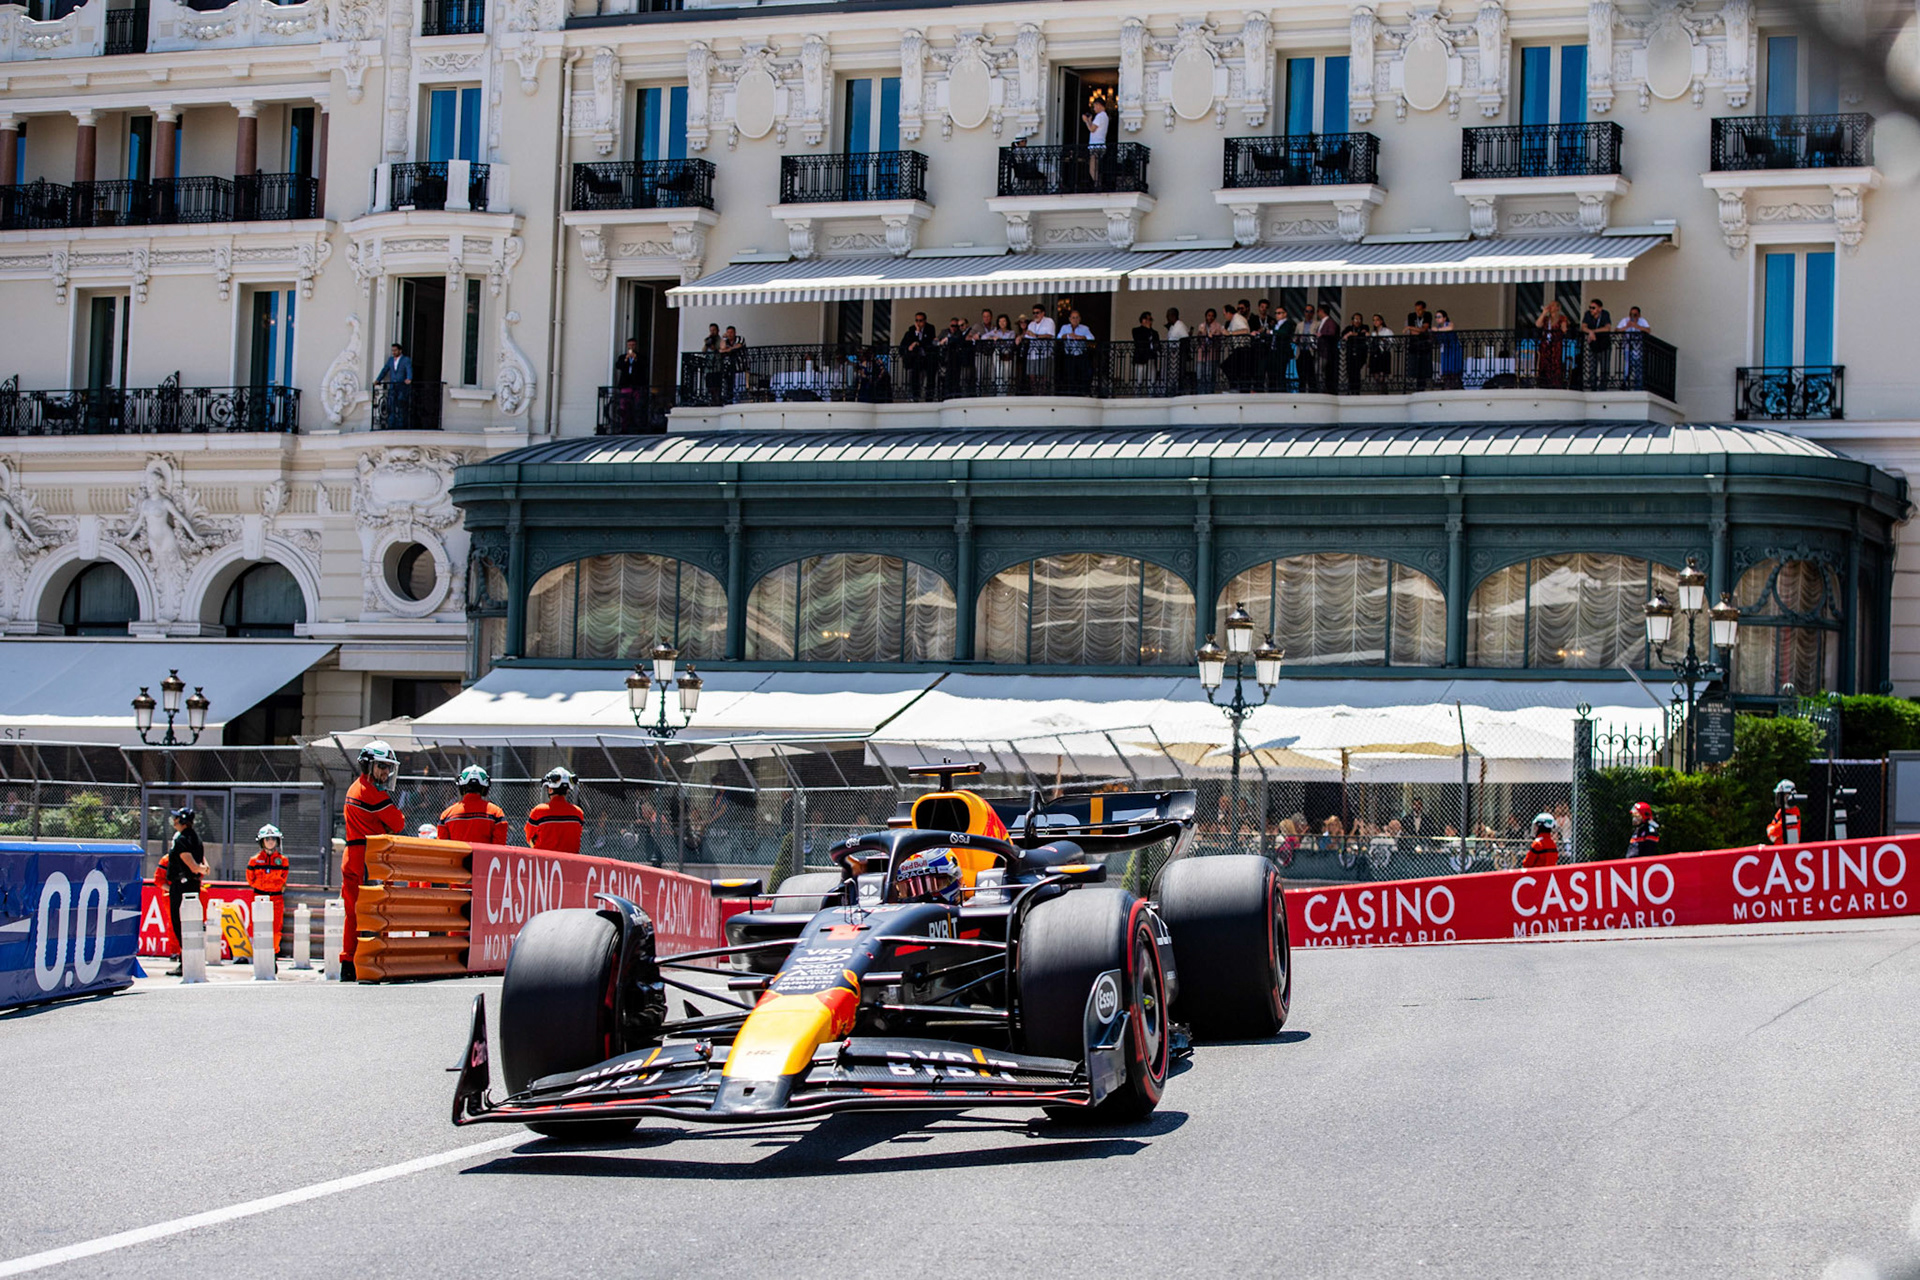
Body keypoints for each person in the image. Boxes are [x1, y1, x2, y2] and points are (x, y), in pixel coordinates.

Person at [341, 740, 405, 980]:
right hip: (368, 857)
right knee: (374, 911)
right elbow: (398, 823)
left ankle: (348, 961)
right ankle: (370, 963)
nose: (385, 772)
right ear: (367, 765)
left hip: (352, 854)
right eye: (381, 766)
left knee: (352, 913)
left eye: (388, 767)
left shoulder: (354, 788)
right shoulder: (373, 793)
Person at [163, 807, 209, 975]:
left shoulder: (182, 839)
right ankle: (188, 961)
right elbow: (202, 862)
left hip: (182, 886)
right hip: (191, 885)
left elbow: (190, 863)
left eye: (177, 819)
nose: (174, 821)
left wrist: (200, 869)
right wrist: (203, 868)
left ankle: (186, 962)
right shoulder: (194, 837)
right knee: (189, 923)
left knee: (180, 923)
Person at [245, 824, 289, 956]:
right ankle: (259, 955)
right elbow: (250, 879)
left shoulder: (283, 861)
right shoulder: (254, 861)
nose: (270, 841)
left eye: (273, 839)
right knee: (258, 928)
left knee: (276, 930)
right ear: (262, 841)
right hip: (259, 897)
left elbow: (283, 878)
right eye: (267, 839)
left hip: (276, 898)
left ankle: (273, 955)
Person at [437, 765, 510, 845]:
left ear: (461, 786)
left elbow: (442, 847)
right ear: (485, 787)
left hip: (456, 857)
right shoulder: (496, 813)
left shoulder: (447, 814)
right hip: (485, 857)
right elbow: (499, 849)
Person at [526, 767, 585, 854]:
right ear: (567, 790)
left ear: (550, 789)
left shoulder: (539, 811)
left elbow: (530, 837)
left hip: (544, 863)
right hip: (571, 863)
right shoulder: (578, 813)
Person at [610, 337, 646, 433]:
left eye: (633, 345)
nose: (631, 347)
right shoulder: (622, 357)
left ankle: (636, 427)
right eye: (630, 345)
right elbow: (618, 366)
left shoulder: (640, 357)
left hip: (636, 385)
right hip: (625, 385)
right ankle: (624, 427)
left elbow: (644, 366)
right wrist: (626, 359)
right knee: (624, 407)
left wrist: (636, 359)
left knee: (636, 406)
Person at [899, 311, 936, 400]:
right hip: (915, 359)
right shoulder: (912, 329)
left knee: (929, 378)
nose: (918, 323)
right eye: (917, 320)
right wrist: (917, 334)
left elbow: (929, 342)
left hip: (927, 357)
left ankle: (929, 397)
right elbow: (908, 343)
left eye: (921, 320)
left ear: (925, 320)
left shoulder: (930, 328)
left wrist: (918, 341)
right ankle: (915, 396)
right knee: (915, 378)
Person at [374, 343, 412, 430]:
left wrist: (409, 378)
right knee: (391, 405)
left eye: (395, 350)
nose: (393, 352)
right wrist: (378, 380)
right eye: (392, 350)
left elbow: (409, 369)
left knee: (401, 405)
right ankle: (391, 424)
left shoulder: (406, 360)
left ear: (400, 351)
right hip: (392, 387)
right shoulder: (390, 360)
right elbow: (385, 370)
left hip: (402, 386)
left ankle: (401, 425)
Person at [1059, 308, 1095, 395]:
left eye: (1077, 318)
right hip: (1069, 355)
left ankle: (1081, 392)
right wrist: (1068, 335)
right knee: (1070, 374)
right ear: (1070, 319)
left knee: (1081, 374)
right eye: (1073, 318)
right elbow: (1059, 337)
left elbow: (1092, 338)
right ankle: (1071, 392)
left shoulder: (1084, 328)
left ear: (1080, 319)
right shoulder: (1065, 327)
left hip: (1080, 355)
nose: (1075, 320)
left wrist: (1082, 337)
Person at [1536, 301, 1571, 388]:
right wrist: (1544, 313)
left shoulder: (1562, 318)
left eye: (1552, 305)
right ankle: (1543, 382)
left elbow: (1564, 329)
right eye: (1550, 305)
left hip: (1556, 344)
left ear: (1558, 308)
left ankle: (1555, 383)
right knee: (1544, 363)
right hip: (1546, 344)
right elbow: (1538, 324)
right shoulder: (1547, 319)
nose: (1550, 307)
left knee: (1555, 363)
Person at [1580, 298, 1613, 390]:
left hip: (1604, 345)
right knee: (1592, 367)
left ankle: (1603, 387)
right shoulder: (1588, 315)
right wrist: (1590, 333)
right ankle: (1593, 386)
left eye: (1593, 308)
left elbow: (1607, 328)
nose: (1591, 309)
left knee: (1604, 367)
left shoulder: (1605, 314)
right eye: (1590, 307)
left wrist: (1593, 332)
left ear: (1600, 308)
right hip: (1593, 345)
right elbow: (1583, 327)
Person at [937, 315, 973, 398]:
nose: (960, 327)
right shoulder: (955, 332)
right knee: (951, 379)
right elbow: (936, 341)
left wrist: (947, 339)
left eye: (961, 325)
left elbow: (959, 340)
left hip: (965, 360)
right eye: (958, 326)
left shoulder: (969, 331)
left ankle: (964, 396)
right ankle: (949, 396)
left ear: (967, 324)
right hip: (952, 360)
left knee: (965, 379)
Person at [1083, 90, 1110, 188]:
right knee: (1097, 167)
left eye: (1094, 106)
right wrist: (1090, 121)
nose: (1094, 109)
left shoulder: (1100, 116)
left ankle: (1097, 184)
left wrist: (1086, 121)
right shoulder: (1105, 116)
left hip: (1096, 145)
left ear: (1099, 105)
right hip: (1101, 144)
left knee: (1092, 168)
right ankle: (1098, 183)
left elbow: (1092, 129)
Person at [1405, 300, 1433, 390]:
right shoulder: (1411, 316)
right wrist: (1416, 330)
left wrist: (1409, 327)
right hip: (1414, 345)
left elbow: (1424, 329)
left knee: (1424, 368)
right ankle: (1417, 387)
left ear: (1424, 309)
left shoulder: (1428, 315)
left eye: (1420, 310)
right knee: (1415, 367)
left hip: (1425, 345)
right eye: (1416, 310)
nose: (1418, 312)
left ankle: (1422, 386)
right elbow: (1413, 332)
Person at [1129, 310, 1159, 393]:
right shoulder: (1136, 330)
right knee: (1139, 377)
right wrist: (1147, 330)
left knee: (1152, 377)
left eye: (1151, 319)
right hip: (1141, 357)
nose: (1150, 321)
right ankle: (1137, 392)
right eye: (1149, 319)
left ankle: (1151, 391)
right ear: (1143, 320)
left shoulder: (1154, 333)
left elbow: (1157, 343)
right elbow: (1139, 341)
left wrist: (1150, 330)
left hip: (1151, 356)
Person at [717, 325, 748, 403]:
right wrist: (723, 338)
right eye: (728, 332)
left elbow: (738, 346)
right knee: (729, 385)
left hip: (740, 367)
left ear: (735, 333)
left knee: (739, 386)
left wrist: (728, 350)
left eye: (731, 332)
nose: (729, 334)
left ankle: (738, 401)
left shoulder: (740, 339)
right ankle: (730, 400)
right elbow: (722, 348)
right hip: (729, 368)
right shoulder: (726, 341)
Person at [1767, 780, 1802, 846]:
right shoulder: (1781, 811)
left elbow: (1774, 832)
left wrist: (1772, 830)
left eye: (1782, 796)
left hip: (1788, 850)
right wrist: (1772, 831)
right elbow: (1771, 832)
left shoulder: (1793, 812)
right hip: (1779, 848)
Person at [1433, 308, 1462, 388]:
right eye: (1436, 317)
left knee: (1453, 366)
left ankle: (1455, 383)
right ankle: (1447, 383)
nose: (1437, 319)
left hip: (1453, 349)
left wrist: (1438, 330)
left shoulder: (1449, 324)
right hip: (1445, 349)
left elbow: (1450, 328)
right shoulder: (1438, 327)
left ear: (1444, 318)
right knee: (1445, 367)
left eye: (1439, 317)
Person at [1343, 312, 1369, 394]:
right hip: (1350, 353)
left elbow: (1364, 335)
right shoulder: (1348, 328)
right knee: (1350, 372)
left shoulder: (1365, 327)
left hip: (1360, 354)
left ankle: (1356, 391)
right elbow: (1343, 335)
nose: (1357, 321)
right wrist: (1351, 334)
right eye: (1356, 319)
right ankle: (1350, 390)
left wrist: (1352, 334)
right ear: (1352, 321)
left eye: (1359, 319)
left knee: (1357, 372)